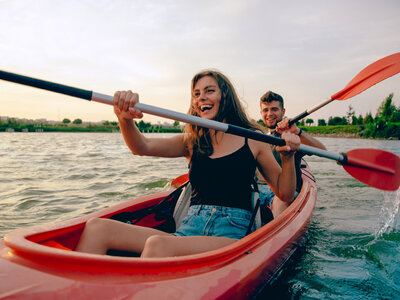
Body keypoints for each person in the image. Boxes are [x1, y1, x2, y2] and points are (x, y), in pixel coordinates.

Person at [75, 70, 300, 258]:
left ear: (225, 96)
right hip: (188, 231)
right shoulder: (192, 140)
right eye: (196, 94)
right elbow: (141, 146)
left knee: (157, 245)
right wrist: (124, 118)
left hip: (231, 237)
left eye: (210, 90)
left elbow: (285, 193)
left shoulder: (253, 137)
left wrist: (288, 157)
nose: (201, 97)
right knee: (97, 228)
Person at [258, 91, 326, 217]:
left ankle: (277, 233)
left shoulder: (292, 137)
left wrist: (298, 131)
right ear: (261, 113)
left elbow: (322, 151)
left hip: (283, 194)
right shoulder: (257, 137)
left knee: (281, 202)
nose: (269, 114)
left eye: (274, 109)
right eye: (265, 110)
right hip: (257, 190)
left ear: (283, 112)